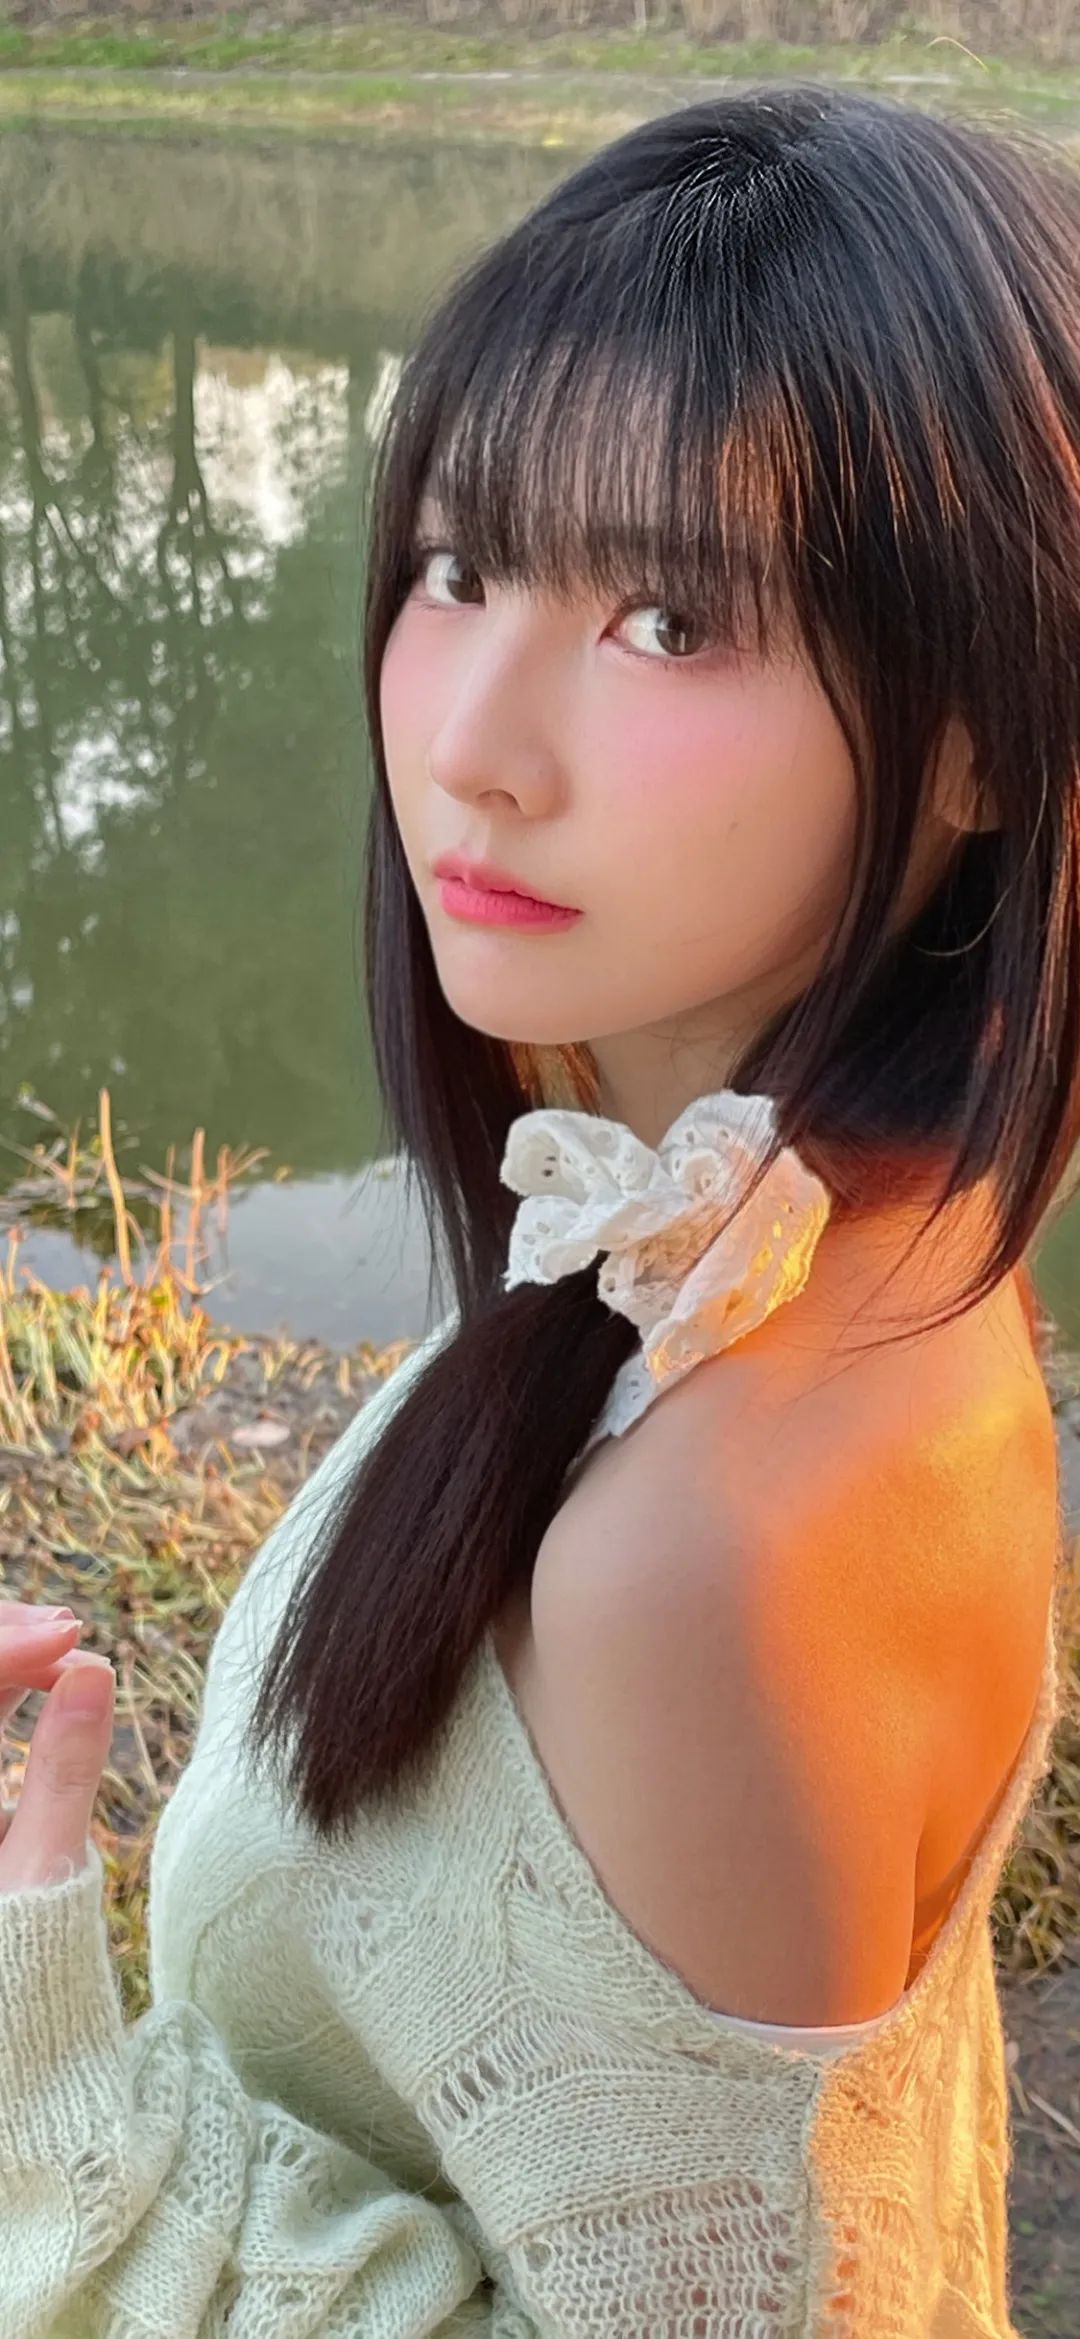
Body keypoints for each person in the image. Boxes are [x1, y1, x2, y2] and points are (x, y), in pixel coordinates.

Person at [0, 78, 1075, 2339]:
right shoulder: (788, 1234)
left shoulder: (709, 1551)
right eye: (458, 566)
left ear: (989, 730)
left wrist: (61, 2121)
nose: (470, 743)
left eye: (671, 619)